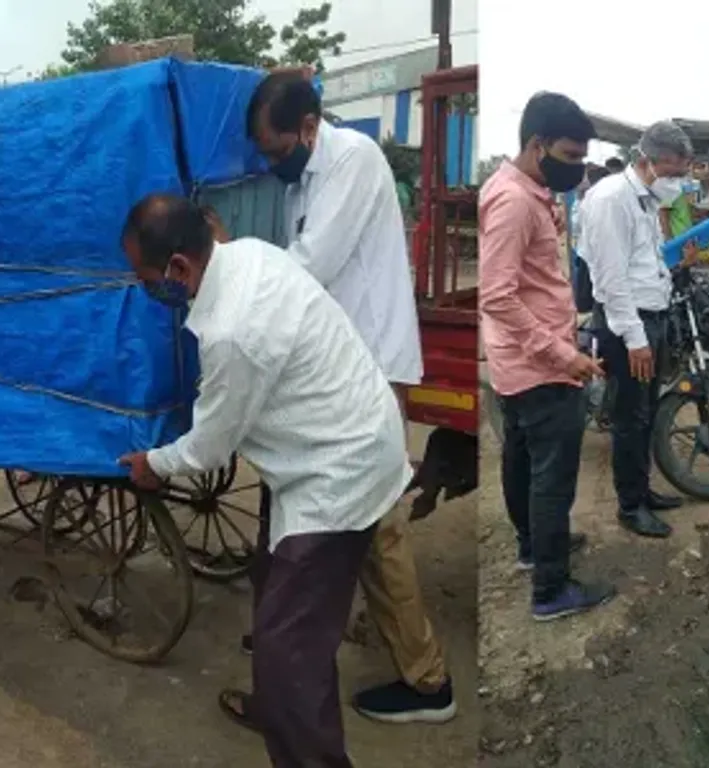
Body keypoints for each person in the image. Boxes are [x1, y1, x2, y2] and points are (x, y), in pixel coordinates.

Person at [117, 194, 410, 768]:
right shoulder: (251, 254)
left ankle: (299, 733)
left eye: (148, 281)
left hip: (336, 474)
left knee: (288, 651)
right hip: (341, 433)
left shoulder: (232, 332)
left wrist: (154, 465)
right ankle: (280, 706)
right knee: (271, 578)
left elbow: (210, 446)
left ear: (179, 268)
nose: (149, 293)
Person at [245, 72, 455, 725]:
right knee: (305, 506)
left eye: (279, 149)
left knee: (374, 525)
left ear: (309, 127)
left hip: (364, 369)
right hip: (333, 370)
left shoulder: (354, 160)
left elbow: (307, 266)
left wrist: (231, 274)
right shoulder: (306, 176)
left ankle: (427, 682)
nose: (275, 163)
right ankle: (291, 640)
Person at [479, 91, 614, 621]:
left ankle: (533, 549)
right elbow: (496, 295)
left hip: (520, 363)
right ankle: (551, 590)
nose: (578, 168)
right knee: (551, 477)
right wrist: (562, 354)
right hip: (539, 366)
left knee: (522, 461)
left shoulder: (525, 190)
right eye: (571, 156)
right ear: (538, 146)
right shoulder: (514, 201)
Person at [578, 122, 695, 539]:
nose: (678, 182)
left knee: (644, 414)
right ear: (647, 161)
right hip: (628, 324)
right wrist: (636, 339)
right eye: (674, 172)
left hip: (651, 316)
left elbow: (644, 262)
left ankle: (642, 490)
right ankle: (630, 506)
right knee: (629, 418)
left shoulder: (643, 199)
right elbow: (611, 280)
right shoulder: (612, 199)